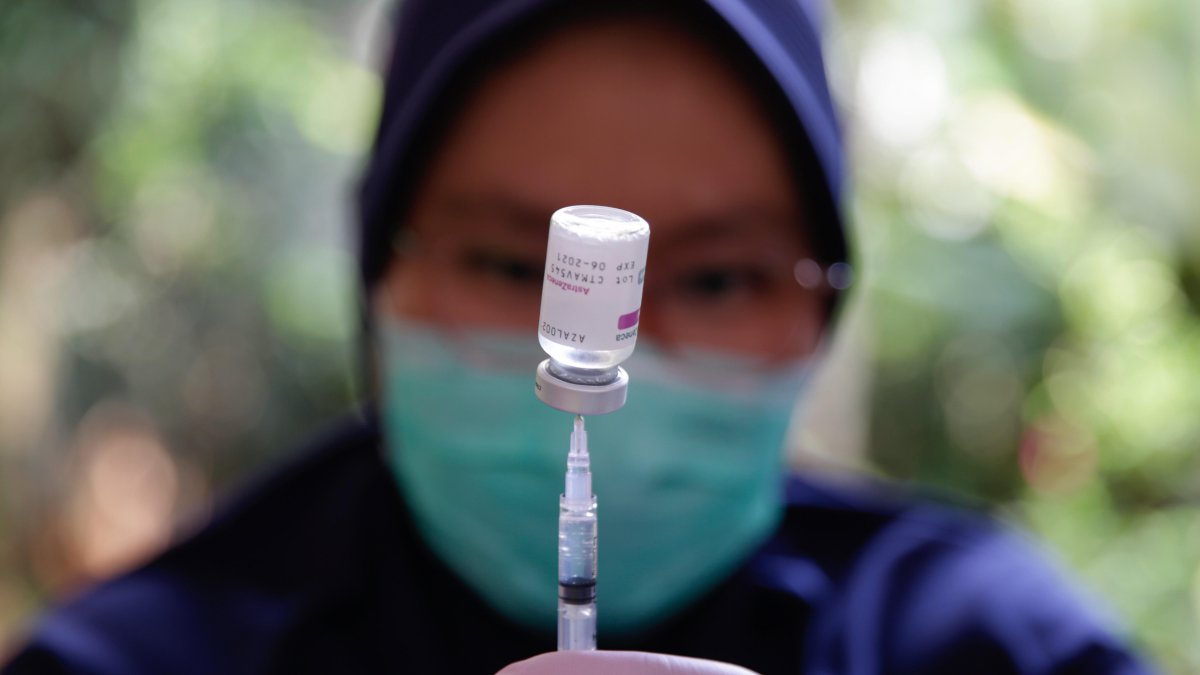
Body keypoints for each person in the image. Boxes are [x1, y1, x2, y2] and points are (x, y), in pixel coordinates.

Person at [3, 1, 1155, 673]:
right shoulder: (142, 659)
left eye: (718, 277)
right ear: (378, 267)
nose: (634, 354)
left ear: (824, 305)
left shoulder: (993, 646)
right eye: (512, 266)